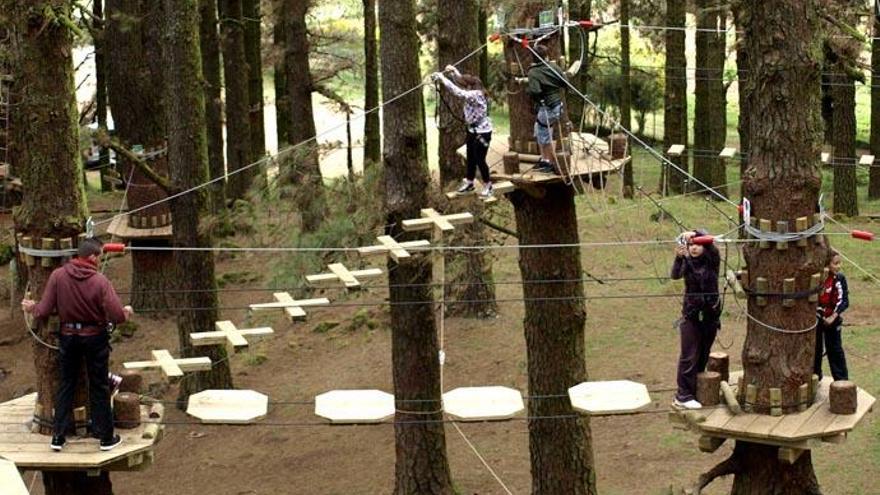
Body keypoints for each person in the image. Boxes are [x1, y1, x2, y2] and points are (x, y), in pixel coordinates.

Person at [21, 238, 133, 452]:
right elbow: (117, 315)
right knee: (99, 386)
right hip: (95, 338)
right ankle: (106, 438)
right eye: (99, 257)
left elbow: (43, 310)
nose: (100, 261)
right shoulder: (100, 282)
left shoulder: (58, 276)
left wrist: (32, 307)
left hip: (68, 337)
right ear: (92, 257)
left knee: (66, 384)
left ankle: (58, 437)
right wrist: (125, 313)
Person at [670, 230, 721, 409]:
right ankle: (683, 395)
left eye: (697, 244)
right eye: (691, 245)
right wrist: (679, 258)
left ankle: (696, 390)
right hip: (691, 316)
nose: (694, 248)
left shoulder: (712, 260)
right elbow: (675, 275)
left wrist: (695, 233)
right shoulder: (686, 261)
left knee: (703, 354)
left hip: (711, 315)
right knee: (688, 356)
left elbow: (711, 243)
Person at [432, 65, 494, 197]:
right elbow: (461, 82)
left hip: (482, 132)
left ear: (470, 86)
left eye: (465, 86)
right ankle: (470, 183)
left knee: (480, 159)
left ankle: (488, 185)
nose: (463, 87)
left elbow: (458, 91)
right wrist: (453, 72)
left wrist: (442, 78)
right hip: (473, 130)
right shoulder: (474, 89)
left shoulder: (476, 94)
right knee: (470, 157)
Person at [525, 44, 574, 174]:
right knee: (541, 130)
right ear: (546, 56)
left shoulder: (533, 72)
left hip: (548, 106)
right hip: (556, 105)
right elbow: (565, 82)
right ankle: (544, 159)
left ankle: (548, 162)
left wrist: (533, 92)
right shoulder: (554, 67)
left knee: (544, 133)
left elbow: (535, 91)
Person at [814, 250, 849, 381]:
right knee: (815, 350)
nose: (838, 266)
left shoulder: (839, 279)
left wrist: (832, 317)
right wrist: (820, 315)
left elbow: (844, 301)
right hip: (818, 319)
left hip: (833, 319)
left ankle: (841, 381)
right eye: (835, 263)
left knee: (835, 350)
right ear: (827, 264)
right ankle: (815, 378)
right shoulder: (818, 280)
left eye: (839, 263)